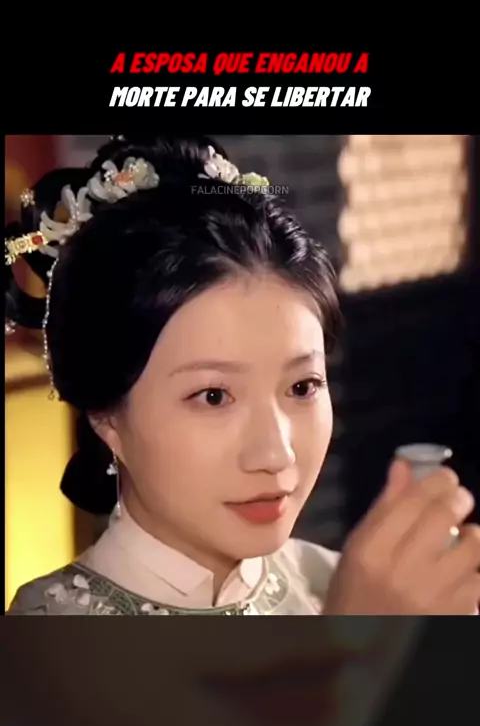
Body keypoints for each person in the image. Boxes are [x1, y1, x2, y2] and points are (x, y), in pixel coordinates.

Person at [5, 135, 480, 616]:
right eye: (213, 396)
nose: (276, 454)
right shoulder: (45, 629)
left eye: (302, 387)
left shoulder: (338, 582)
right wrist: (358, 644)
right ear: (107, 416)